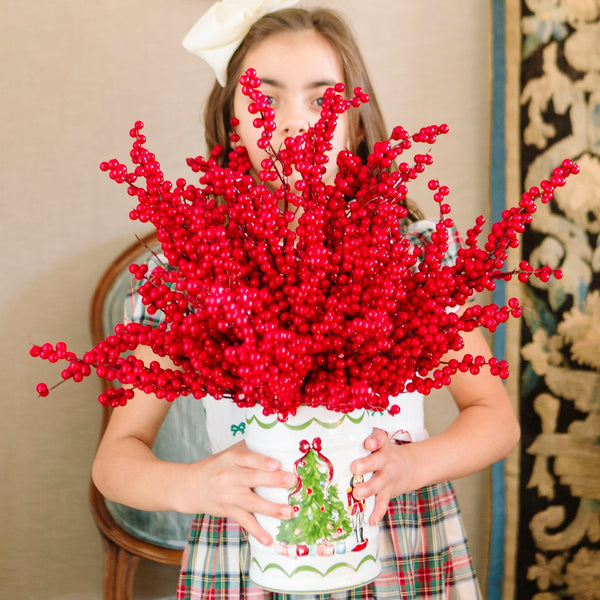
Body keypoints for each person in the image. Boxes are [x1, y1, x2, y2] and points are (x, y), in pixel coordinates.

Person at [92, 2, 520, 599]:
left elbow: (495, 420)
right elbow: (116, 462)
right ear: (231, 114)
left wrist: (413, 465)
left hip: (402, 543)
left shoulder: (408, 260)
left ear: (356, 119)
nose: (294, 123)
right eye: (265, 97)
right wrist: (198, 486)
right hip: (246, 548)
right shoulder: (189, 274)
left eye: (323, 99)